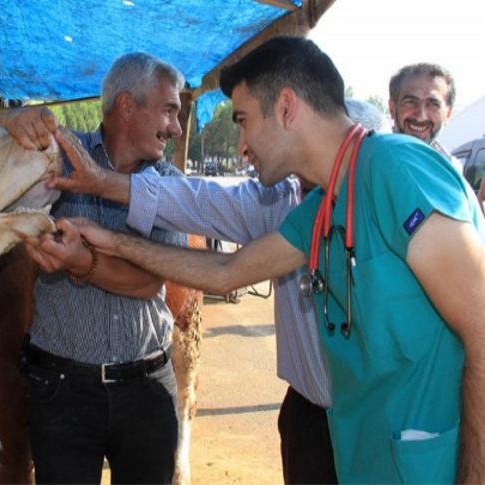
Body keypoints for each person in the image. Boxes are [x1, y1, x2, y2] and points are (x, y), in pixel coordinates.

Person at [51, 37, 484, 483]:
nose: (240, 146)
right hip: (369, 458)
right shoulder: (322, 209)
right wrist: (112, 240)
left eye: (243, 121)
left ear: (285, 108)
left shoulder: (397, 167)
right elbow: (228, 271)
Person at [35, 98, 384, 484]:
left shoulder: (402, 194)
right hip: (310, 419)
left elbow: (223, 273)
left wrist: (96, 253)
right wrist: (110, 223)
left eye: (247, 124)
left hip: (383, 421)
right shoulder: (281, 203)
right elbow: (210, 235)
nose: (242, 147)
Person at [0, 52, 188, 484]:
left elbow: (146, 281)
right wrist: (9, 122)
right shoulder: (55, 161)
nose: (175, 127)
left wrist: (83, 263)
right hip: (62, 390)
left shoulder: (169, 184)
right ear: (126, 106)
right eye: (168, 110)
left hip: (147, 390)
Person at [388, 62, 462, 170]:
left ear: (448, 114)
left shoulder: (451, 169)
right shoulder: (369, 159)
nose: (421, 116)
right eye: (410, 102)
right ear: (392, 108)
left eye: (433, 104)